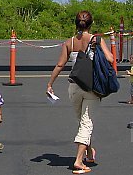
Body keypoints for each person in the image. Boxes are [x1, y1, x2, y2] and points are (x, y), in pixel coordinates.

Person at [47, 10, 113, 174]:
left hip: (74, 86)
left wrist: (50, 84)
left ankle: (89, 152)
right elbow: (111, 59)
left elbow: (60, 65)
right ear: (91, 24)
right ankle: (78, 161)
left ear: (75, 24)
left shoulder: (69, 42)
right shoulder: (96, 40)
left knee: (82, 121)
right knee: (87, 122)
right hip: (92, 87)